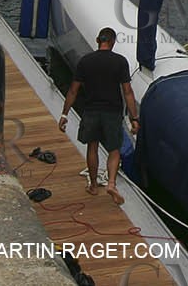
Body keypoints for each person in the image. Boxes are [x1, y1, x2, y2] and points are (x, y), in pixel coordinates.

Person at [59, 27, 140, 204]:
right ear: (112, 42)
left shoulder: (85, 61)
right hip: (112, 112)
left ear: (98, 40)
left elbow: (73, 90)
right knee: (114, 149)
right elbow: (127, 92)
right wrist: (134, 118)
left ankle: (94, 185)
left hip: (91, 111)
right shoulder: (120, 62)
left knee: (92, 147)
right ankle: (111, 183)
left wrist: (65, 114)